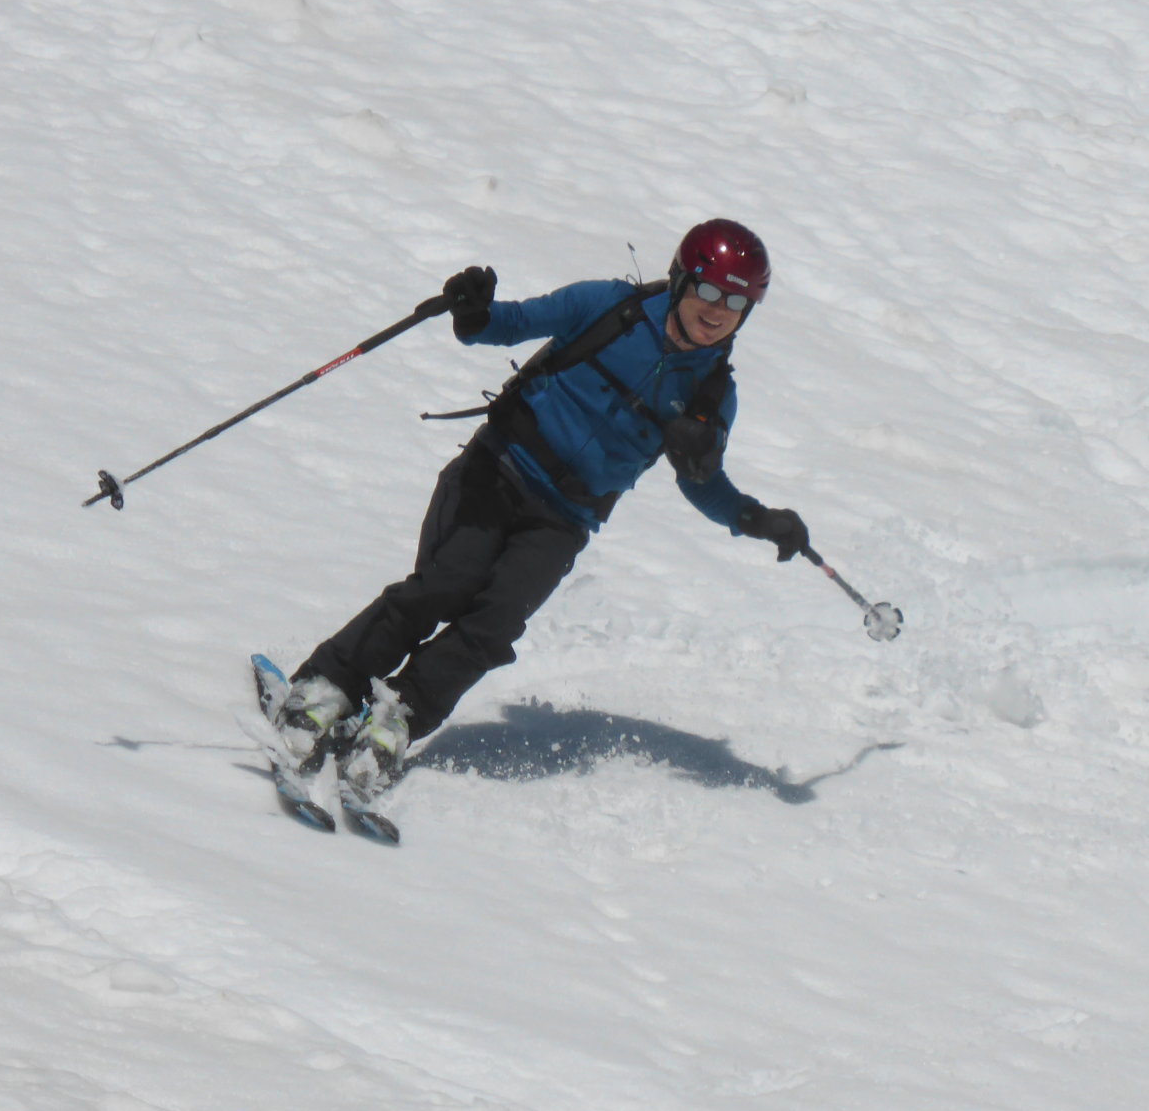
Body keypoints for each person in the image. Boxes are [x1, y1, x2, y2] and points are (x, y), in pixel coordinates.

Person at [272, 219, 810, 798]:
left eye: (737, 301)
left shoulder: (712, 393)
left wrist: (753, 518)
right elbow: (509, 324)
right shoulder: (609, 306)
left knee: (493, 626)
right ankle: (325, 687)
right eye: (708, 290)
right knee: (443, 587)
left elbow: (701, 483)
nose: (718, 310)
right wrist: (474, 312)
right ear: (681, 279)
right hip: (497, 469)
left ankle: (395, 719)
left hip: (564, 520)